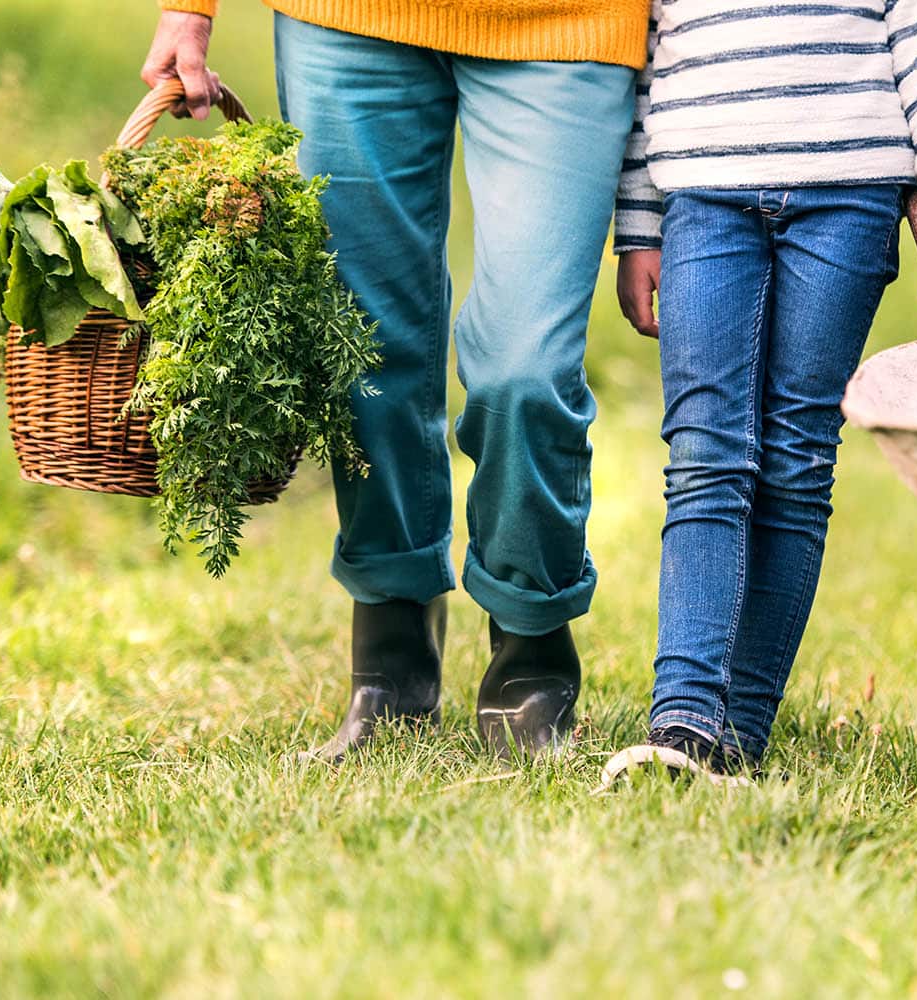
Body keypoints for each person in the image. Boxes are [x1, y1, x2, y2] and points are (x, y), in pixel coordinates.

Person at [140, 0, 650, 761]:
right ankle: (391, 658)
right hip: (346, 20)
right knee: (365, 349)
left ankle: (531, 653)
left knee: (526, 366)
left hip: (567, 23)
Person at [598, 0, 917, 783]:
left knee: (797, 459)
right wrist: (640, 228)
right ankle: (680, 721)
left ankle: (738, 731)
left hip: (849, 194)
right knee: (706, 451)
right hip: (703, 196)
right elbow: (647, 68)